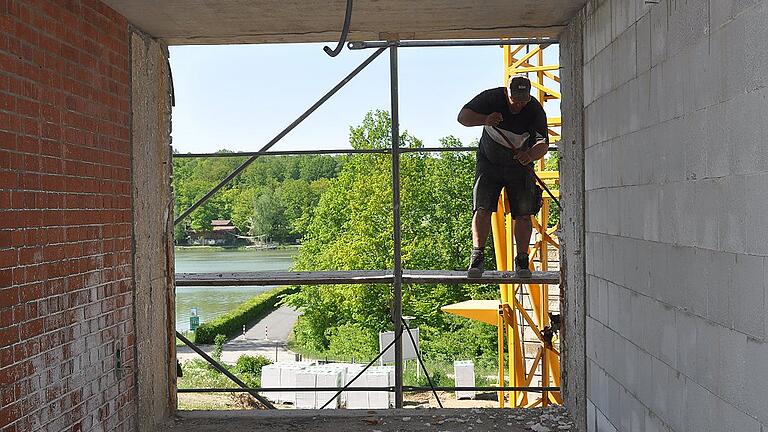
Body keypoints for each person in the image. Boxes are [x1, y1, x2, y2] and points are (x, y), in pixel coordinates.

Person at [457, 75, 549, 278]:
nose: (519, 105)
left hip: (519, 166)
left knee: (524, 212)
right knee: (482, 207)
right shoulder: (491, 98)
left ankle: (522, 260)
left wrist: (529, 155)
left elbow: (543, 144)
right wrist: (485, 120)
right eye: (515, 99)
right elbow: (462, 117)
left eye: (523, 100)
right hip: (488, 163)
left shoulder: (534, 110)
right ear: (507, 93)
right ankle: (477, 257)